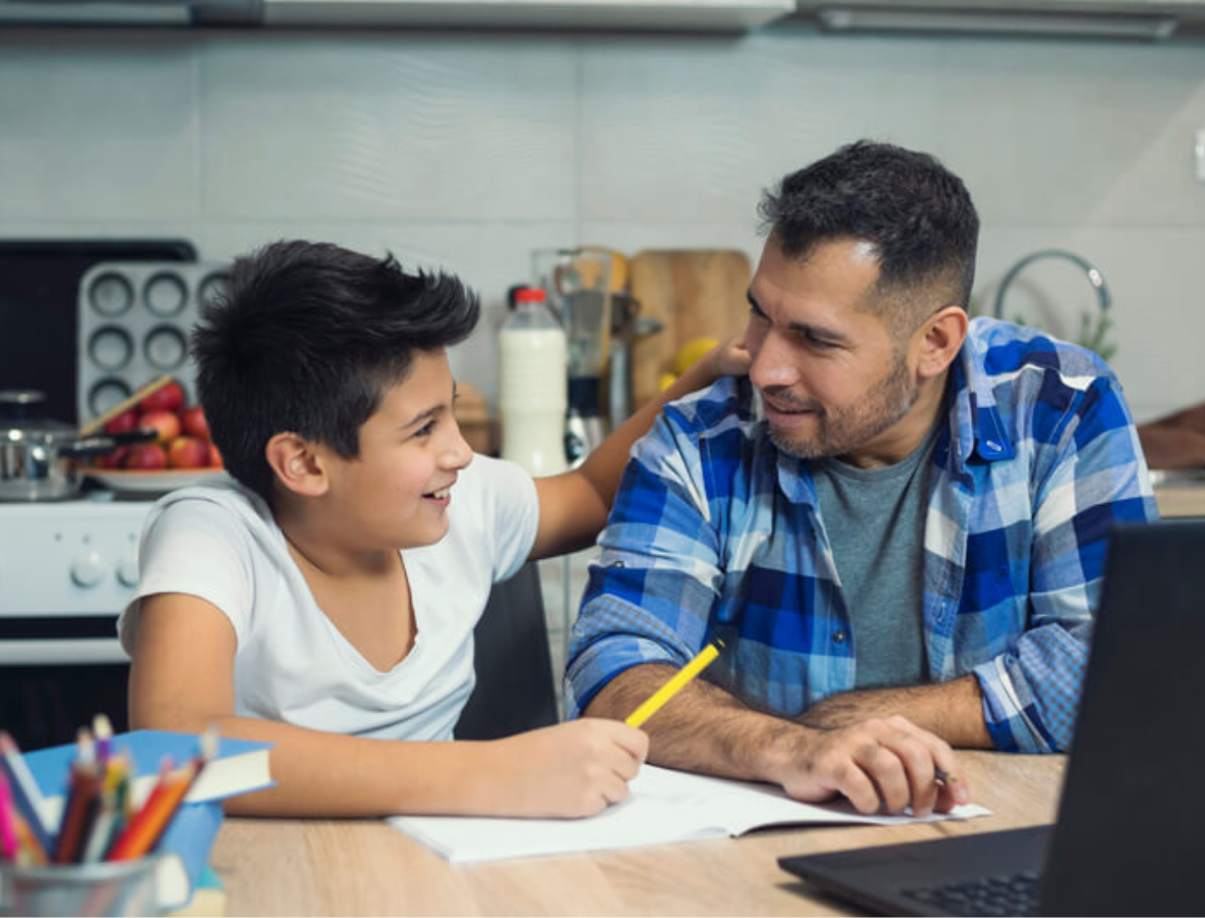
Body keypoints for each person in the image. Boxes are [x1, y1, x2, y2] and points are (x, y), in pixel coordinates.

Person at [567, 140, 1158, 819]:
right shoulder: (701, 437)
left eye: (816, 340)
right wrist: (792, 749)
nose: (764, 370)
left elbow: (1118, 663)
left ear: (935, 343)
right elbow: (613, 665)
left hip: (1004, 830)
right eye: (761, 314)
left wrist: (874, 717)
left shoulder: (1062, 406)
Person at [119, 239, 749, 819]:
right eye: (424, 429)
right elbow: (175, 745)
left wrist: (707, 376)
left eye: (452, 411)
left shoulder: (461, 502)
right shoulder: (213, 534)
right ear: (305, 463)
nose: (461, 454)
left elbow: (589, 489)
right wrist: (492, 774)